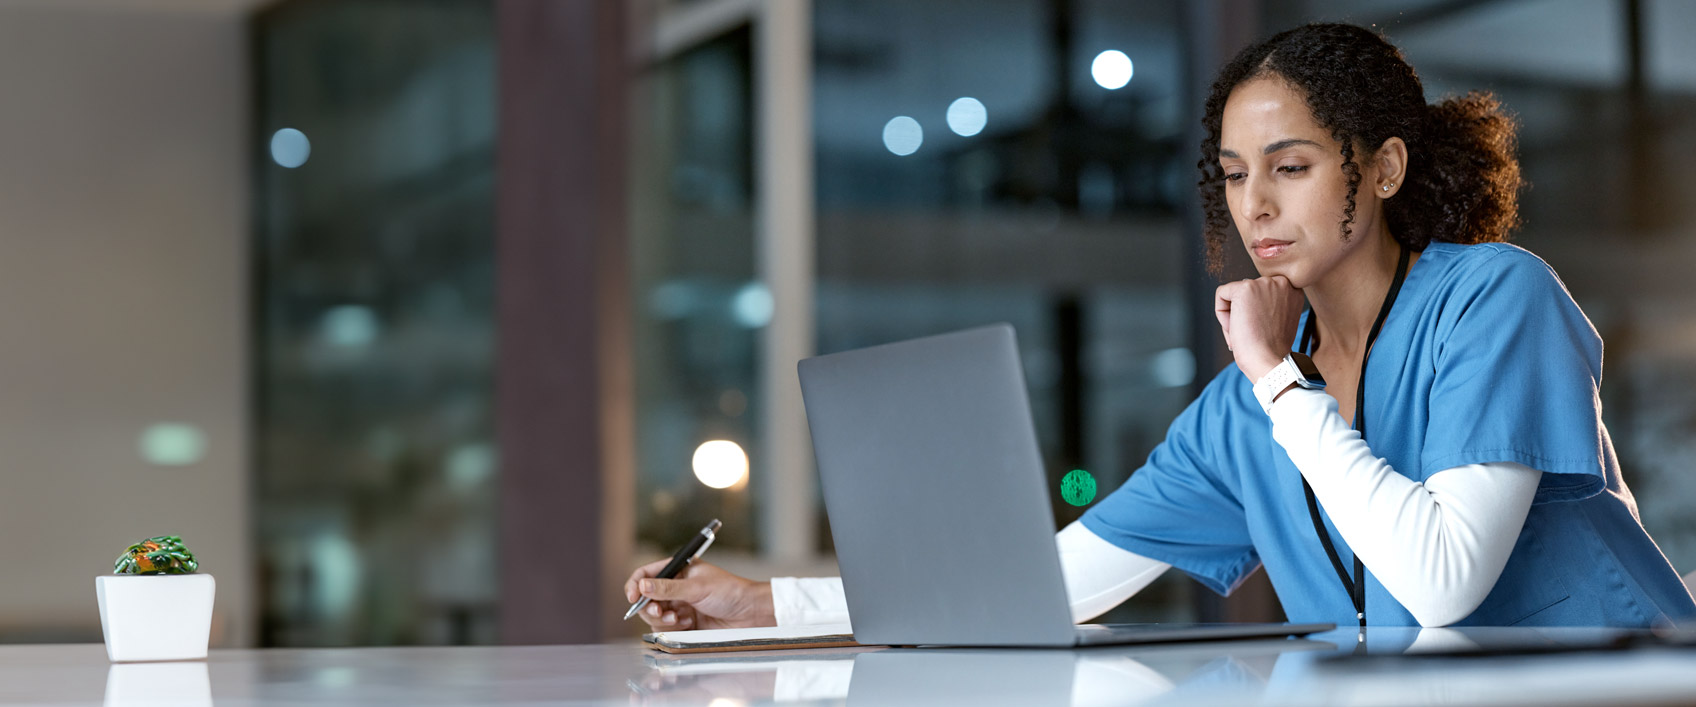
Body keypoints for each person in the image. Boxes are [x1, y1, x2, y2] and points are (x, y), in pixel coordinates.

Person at [622, 22, 1696, 632]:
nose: (1254, 206)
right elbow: (1043, 586)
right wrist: (760, 603)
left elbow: (1442, 580)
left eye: (1290, 167)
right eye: (1232, 175)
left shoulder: (1492, 298)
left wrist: (1278, 381)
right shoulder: (1242, 412)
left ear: (1381, 168)